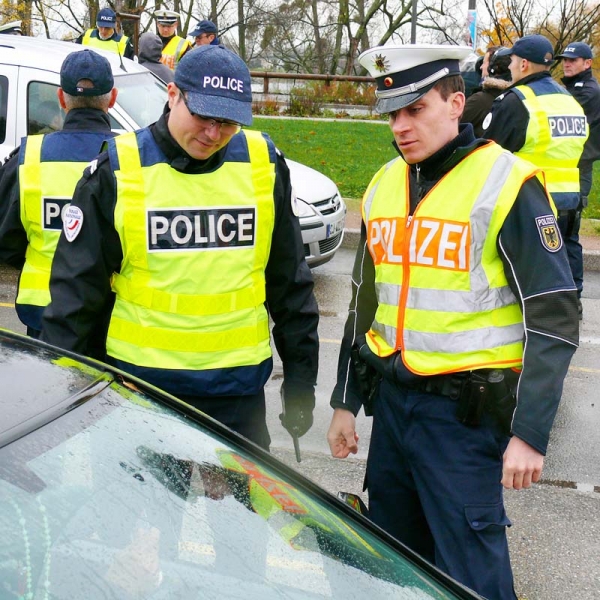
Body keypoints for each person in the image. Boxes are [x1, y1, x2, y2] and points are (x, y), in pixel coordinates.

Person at [326, 43, 579, 600]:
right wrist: (345, 401)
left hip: (463, 420)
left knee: (471, 577)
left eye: (415, 109)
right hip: (393, 410)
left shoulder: (507, 183)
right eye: (392, 113)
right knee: (393, 569)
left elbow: (554, 315)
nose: (401, 126)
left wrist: (530, 434)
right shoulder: (384, 183)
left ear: (456, 103)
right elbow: (364, 302)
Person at [40, 45, 319, 452]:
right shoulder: (119, 169)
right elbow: (75, 298)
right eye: (203, 116)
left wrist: (300, 383)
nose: (213, 134)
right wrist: (64, 391)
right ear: (172, 95)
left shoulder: (263, 165)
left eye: (228, 123)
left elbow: (290, 283)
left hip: (236, 394)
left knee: (239, 498)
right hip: (141, 392)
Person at [0, 49, 118, 339]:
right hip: (113, 315)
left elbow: (6, 240)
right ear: (112, 98)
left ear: (61, 99)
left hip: (45, 314)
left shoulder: (30, 158)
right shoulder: (133, 159)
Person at [481, 34, 588, 316]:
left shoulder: (518, 101)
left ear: (524, 64)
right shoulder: (568, 100)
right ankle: (570, 306)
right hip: (570, 198)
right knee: (568, 251)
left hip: (531, 197)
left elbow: (490, 151)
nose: (510, 66)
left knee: (530, 262)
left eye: (513, 60)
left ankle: (534, 315)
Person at [557, 41, 600, 310]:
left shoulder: (588, 91)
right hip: (567, 169)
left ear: (588, 63)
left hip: (577, 170)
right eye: (564, 59)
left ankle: (574, 298)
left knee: (568, 235)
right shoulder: (573, 89)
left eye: (573, 60)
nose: (566, 63)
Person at [462, 47, 512, 137]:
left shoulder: (479, 101)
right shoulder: (515, 98)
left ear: (493, 68)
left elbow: (452, 128)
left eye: (484, 63)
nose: (481, 67)